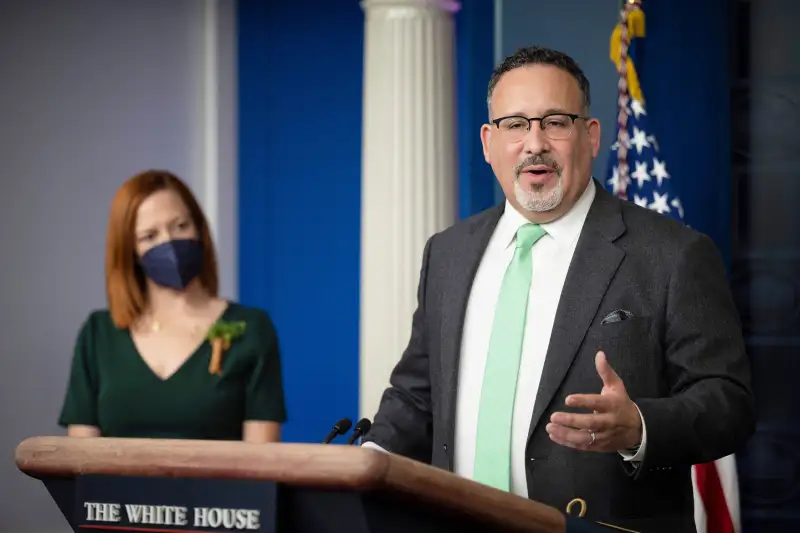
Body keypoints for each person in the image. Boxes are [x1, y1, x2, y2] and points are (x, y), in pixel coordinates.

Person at [361, 46, 755, 533]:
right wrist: (367, 462)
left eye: (554, 122)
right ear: (488, 142)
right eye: (515, 124)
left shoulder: (673, 254)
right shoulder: (448, 252)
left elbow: (729, 402)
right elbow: (418, 395)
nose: (534, 144)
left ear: (590, 136)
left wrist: (640, 426)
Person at [58, 170, 287, 442]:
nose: (168, 243)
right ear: (130, 251)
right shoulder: (98, 334)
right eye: (149, 236)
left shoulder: (252, 329)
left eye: (180, 226)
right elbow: (80, 459)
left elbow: (260, 462)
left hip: (220, 487)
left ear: (199, 229)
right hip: (112, 487)